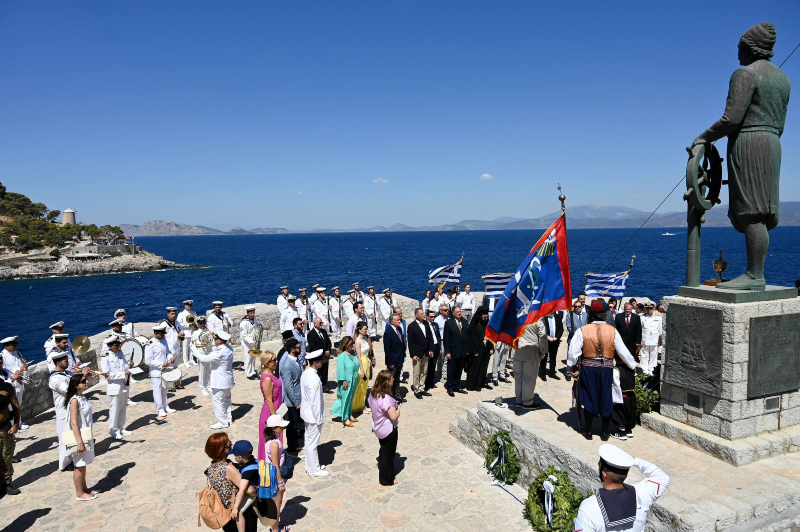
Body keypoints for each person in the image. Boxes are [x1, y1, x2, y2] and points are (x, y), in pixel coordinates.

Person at [692, 23, 790, 291]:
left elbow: (731, 118)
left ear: (750, 48)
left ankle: (755, 275)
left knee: (751, 212)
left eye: (740, 48)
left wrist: (703, 137)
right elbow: (780, 123)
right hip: (772, 142)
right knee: (762, 210)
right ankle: (756, 272)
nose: (737, 53)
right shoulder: (783, 79)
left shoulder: (744, 74)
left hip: (749, 142)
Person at [568, 300, 637, 441]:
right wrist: (632, 365)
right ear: (604, 314)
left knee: (588, 397)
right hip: (606, 369)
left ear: (590, 314)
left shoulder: (582, 330)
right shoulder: (612, 330)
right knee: (606, 397)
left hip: (588, 369)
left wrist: (572, 368)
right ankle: (605, 433)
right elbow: (623, 352)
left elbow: (572, 353)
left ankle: (588, 431)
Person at [574, 444, 669, 532]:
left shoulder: (589, 508)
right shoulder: (641, 494)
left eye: (599, 465)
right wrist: (634, 461)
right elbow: (662, 477)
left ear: (604, 474)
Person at [203, 432, 257, 532]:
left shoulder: (211, 467)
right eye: (228, 444)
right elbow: (250, 491)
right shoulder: (228, 468)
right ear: (221, 450)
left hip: (224, 513)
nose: (231, 444)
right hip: (238, 513)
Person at [48, 345, 89, 472]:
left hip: (72, 409)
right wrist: (81, 377)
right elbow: (69, 390)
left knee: (72, 435)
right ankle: (64, 464)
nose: (68, 362)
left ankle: (72, 458)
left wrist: (82, 377)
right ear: (58, 363)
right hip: (63, 412)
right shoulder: (54, 378)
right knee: (64, 438)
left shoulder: (67, 374)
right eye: (65, 361)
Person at [65, 374, 96, 501]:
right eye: (83, 381)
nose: (86, 382)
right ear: (76, 385)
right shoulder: (74, 400)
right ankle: (79, 493)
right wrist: (79, 442)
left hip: (86, 435)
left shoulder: (82, 397)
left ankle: (84, 488)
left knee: (83, 464)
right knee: (79, 464)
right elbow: (73, 422)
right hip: (80, 437)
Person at [195, 331, 235, 429]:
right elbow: (214, 352)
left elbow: (203, 358)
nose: (214, 340)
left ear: (220, 341)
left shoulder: (220, 353)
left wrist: (194, 349)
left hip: (220, 382)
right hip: (227, 380)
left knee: (218, 401)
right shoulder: (229, 348)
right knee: (226, 401)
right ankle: (228, 419)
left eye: (216, 339)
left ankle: (222, 422)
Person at [367, 370, 400, 487]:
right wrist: (399, 409)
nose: (393, 379)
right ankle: (386, 479)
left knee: (384, 450)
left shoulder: (372, 394)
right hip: (388, 430)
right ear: (386, 382)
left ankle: (386, 467)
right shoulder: (387, 399)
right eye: (391, 378)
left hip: (378, 427)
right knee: (388, 454)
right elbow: (394, 416)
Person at [99, 336, 134, 440]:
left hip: (123, 385)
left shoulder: (120, 353)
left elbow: (124, 366)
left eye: (119, 344)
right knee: (114, 410)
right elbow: (107, 375)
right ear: (110, 346)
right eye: (116, 345)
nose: (119, 346)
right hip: (114, 387)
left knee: (123, 408)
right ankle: (114, 430)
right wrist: (123, 373)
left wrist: (129, 365)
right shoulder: (105, 357)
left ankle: (121, 427)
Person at [300, 349, 328, 477]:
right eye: (320, 360)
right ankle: (313, 469)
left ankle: (311, 464)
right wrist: (319, 418)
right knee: (312, 443)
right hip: (313, 416)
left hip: (307, 413)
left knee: (308, 440)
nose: (322, 362)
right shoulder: (314, 378)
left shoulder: (306, 373)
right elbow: (315, 401)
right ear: (315, 362)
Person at [513, 319, 548, 409]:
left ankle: (519, 399)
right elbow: (543, 335)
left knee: (518, 377)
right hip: (531, 351)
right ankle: (527, 402)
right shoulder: (537, 318)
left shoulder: (517, 316)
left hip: (518, 349)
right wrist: (543, 350)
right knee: (529, 377)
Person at [228, 440, 262, 532]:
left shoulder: (247, 472)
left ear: (240, 457)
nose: (234, 457)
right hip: (256, 487)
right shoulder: (252, 461)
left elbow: (242, 490)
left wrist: (235, 508)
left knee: (238, 512)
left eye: (234, 455)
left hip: (251, 494)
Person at [263, 418, 290, 532]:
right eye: (281, 426)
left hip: (272, 475)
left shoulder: (271, 440)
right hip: (275, 477)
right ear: (274, 428)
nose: (283, 427)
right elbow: (275, 464)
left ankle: (276, 526)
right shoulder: (274, 444)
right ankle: (275, 530)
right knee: (277, 505)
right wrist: (280, 483)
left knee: (277, 503)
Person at [144, 324, 176, 418]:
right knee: (157, 390)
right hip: (156, 371)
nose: (163, 335)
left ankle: (166, 406)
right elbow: (148, 361)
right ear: (156, 333)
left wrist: (170, 357)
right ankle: (160, 408)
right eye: (161, 334)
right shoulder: (150, 344)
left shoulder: (163, 340)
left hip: (165, 369)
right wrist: (161, 364)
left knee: (164, 388)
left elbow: (167, 352)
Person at [279, 338, 304, 456]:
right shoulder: (287, 365)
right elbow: (288, 386)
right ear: (292, 349)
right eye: (298, 348)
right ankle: (291, 448)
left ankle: (295, 443)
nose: (300, 349)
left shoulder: (296, 360)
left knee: (296, 424)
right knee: (292, 425)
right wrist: (296, 402)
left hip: (299, 397)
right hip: (292, 401)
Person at [0, 356, 21, 496]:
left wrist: (16, 425)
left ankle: (7, 484)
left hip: (4, 427)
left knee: (7, 456)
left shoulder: (6, 387)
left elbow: (16, 407)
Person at [258, 352, 283, 460]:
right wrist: (275, 418)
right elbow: (269, 400)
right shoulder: (267, 379)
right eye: (273, 360)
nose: (276, 362)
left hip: (276, 409)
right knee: (271, 440)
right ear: (266, 363)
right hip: (270, 412)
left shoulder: (272, 375)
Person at [1, 336, 29, 431]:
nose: (15, 346)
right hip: (11, 384)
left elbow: (20, 366)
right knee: (10, 407)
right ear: (6, 346)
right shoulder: (2, 356)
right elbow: (5, 371)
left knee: (18, 405)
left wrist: (24, 367)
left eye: (15, 344)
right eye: (13, 345)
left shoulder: (17, 353)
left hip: (19, 383)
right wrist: (19, 369)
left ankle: (19, 423)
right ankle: (12, 426)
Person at [331, 336, 359, 427]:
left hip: (353, 380)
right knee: (345, 399)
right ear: (345, 345)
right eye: (350, 344)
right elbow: (340, 370)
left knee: (351, 398)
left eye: (353, 343)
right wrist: (344, 380)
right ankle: (344, 418)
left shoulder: (354, 354)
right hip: (346, 381)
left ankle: (349, 414)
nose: (352, 345)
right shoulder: (342, 356)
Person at [407, 308, 434, 400]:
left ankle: (422, 388)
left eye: (423, 313)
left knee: (424, 371)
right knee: (417, 372)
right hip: (417, 353)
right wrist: (412, 354)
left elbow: (430, 337)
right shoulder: (412, 326)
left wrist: (431, 349)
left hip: (426, 352)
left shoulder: (426, 323)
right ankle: (416, 389)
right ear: (417, 315)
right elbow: (410, 342)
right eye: (422, 314)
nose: (424, 315)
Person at [442, 306, 469, 397]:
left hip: (462, 351)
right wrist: (447, 352)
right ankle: (450, 387)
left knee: (459, 370)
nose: (459, 313)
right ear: (453, 313)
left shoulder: (464, 322)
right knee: (451, 370)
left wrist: (467, 349)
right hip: (453, 351)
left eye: (460, 311)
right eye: (457, 312)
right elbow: (446, 338)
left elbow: (466, 336)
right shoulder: (449, 323)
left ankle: (457, 386)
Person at [465, 306, 493, 391]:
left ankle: (481, 383)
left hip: (486, 349)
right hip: (477, 350)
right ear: (480, 316)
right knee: (475, 367)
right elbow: (470, 339)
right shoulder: (474, 325)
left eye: (487, 316)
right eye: (484, 317)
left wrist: (491, 347)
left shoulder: (487, 324)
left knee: (484, 367)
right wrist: (473, 350)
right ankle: (474, 384)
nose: (486, 318)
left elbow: (490, 336)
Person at [383, 314, 407, 402]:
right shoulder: (388, 332)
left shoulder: (399, 329)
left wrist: (403, 355)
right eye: (397, 320)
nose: (399, 321)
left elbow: (402, 344)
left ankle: (397, 395)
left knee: (397, 378)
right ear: (392, 321)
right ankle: (389, 397)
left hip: (399, 358)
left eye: (399, 320)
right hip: (393, 360)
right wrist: (390, 362)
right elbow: (387, 348)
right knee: (391, 379)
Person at [352, 322, 372, 414]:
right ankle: (358, 406)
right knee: (360, 386)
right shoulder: (358, 341)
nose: (366, 331)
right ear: (359, 330)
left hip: (366, 361)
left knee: (365, 385)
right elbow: (358, 356)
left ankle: (363, 404)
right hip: (362, 363)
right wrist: (362, 369)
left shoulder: (364, 339)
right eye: (365, 329)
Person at [306, 317, 332, 389]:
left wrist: (328, 350)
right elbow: (313, 346)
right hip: (317, 357)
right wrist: (323, 353)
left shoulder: (324, 331)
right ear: (315, 324)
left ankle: (324, 384)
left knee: (325, 370)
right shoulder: (311, 334)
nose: (321, 324)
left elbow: (328, 342)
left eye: (322, 323)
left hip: (325, 356)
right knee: (318, 371)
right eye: (320, 323)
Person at [192, 315, 213, 396]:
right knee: (202, 372)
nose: (202, 325)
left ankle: (208, 385)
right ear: (198, 324)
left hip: (209, 352)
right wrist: (198, 355)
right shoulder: (195, 333)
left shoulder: (209, 331)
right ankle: (202, 388)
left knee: (208, 371)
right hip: (201, 354)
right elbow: (193, 345)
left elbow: (212, 341)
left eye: (203, 323)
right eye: (200, 323)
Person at [639, 303, 662, 376]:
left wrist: (660, 340)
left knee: (653, 355)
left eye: (651, 308)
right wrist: (640, 340)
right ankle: (645, 370)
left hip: (654, 340)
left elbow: (660, 330)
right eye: (648, 308)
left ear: (654, 308)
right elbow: (640, 330)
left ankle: (651, 370)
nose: (649, 310)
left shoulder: (659, 318)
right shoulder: (642, 318)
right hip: (645, 340)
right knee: (644, 355)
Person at [541, 310, 565, 381]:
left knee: (553, 357)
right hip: (545, 341)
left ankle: (552, 373)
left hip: (555, 341)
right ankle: (543, 373)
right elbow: (541, 329)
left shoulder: (558, 317)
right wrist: (547, 336)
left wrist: (556, 337)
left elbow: (561, 329)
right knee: (544, 358)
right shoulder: (543, 318)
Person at [240, 305, 261, 380]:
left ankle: (253, 371)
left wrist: (260, 327)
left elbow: (256, 324)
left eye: (253, 313)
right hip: (247, 343)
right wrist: (251, 341)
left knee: (253, 357)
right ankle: (249, 373)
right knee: (248, 358)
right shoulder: (244, 323)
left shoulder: (254, 318)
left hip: (254, 341)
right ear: (247, 314)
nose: (253, 314)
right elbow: (244, 335)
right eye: (251, 313)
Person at [424, 310, 442, 391]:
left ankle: (431, 382)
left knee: (433, 366)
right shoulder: (425, 325)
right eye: (431, 317)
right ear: (427, 317)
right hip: (429, 348)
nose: (433, 318)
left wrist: (439, 347)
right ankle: (426, 384)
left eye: (434, 316)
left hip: (436, 346)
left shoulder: (436, 324)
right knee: (428, 367)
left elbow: (438, 336)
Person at [177, 299, 196, 368]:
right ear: (185, 306)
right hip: (185, 332)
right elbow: (179, 324)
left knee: (192, 347)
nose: (189, 307)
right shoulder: (181, 314)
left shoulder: (194, 313)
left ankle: (191, 359)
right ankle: (186, 361)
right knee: (185, 348)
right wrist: (188, 325)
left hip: (192, 333)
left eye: (190, 305)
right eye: (188, 305)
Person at [434, 303, 449, 382]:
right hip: (441, 341)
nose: (447, 311)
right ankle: (439, 374)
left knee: (446, 358)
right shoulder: (437, 320)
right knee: (440, 359)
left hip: (447, 341)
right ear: (441, 311)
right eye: (445, 310)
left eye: (447, 310)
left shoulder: (448, 319)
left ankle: (444, 374)